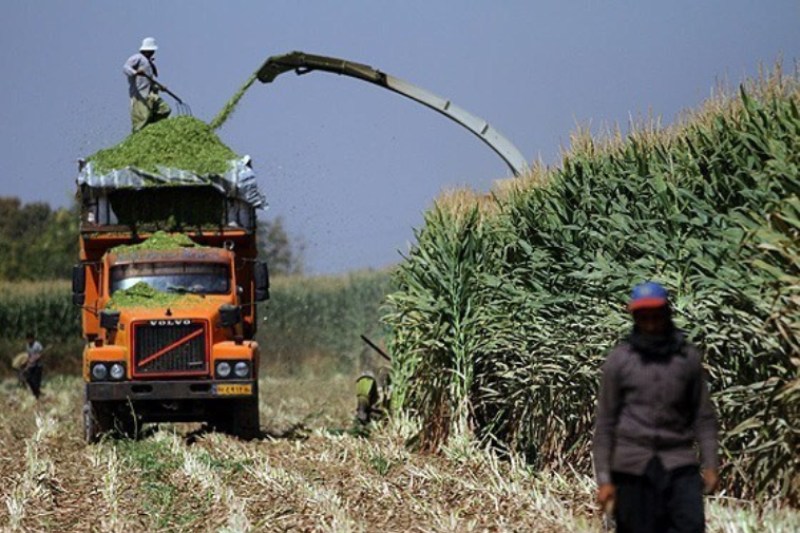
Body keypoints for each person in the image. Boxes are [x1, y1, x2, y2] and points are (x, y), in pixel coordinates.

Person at [593, 282, 719, 532]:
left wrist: (712, 465)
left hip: (678, 462)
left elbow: (703, 417)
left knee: (690, 526)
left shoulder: (687, 359)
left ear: (667, 313)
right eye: (643, 315)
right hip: (632, 467)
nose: (650, 321)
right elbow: (605, 424)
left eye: (655, 314)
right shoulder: (620, 360)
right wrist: (605, 480)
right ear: (635, 317)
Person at [123, 37, 171, 132]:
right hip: (139, 95)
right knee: (142, 119)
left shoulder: (149, 62)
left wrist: (160, 87)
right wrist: (136, 72)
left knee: (165, 109)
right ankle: (137, 137)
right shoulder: (137, 58)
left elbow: (149, 82)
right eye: (150, 50)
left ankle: (153, 128)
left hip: (150, 95)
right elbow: (125, 67)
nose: (152, 52)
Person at [22, 332, 44, 399]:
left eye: (30, 339)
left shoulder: (37, 345)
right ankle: (36, 393)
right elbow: (28, 356)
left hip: (38, 365)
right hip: (31, 365)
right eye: (28, 339)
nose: (29, 341)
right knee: (28, 379)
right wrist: (27, 364)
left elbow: (41, 354)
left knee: (36, 381)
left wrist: (35, 358)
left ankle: (37, 395)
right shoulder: (27, 345)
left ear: (33, 338)